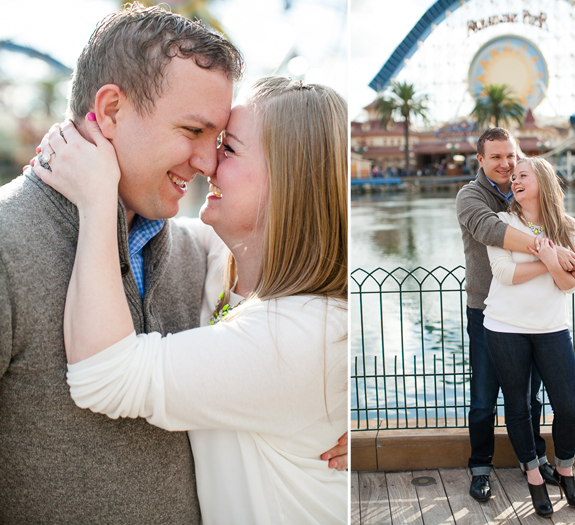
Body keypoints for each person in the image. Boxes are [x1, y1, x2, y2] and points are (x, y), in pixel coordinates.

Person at [0, 4, 344, 523]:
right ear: (111, 111)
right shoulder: (8, 242)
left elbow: (109, 375)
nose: (207, 163)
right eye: (194, 131)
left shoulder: (196, 255)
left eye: (223, 143)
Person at [455, 127, 575, 502]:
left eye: (512, 157)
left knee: (530, 399)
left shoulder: (542, 206)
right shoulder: (472, 196)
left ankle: (533, 462)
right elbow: (489, 231)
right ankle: (480, 467)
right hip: (488, 310)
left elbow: (573, 252)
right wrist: (551, 252)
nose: (507, 165)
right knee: (485, 397)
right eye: (496, 157)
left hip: (542, 320)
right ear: (481, 160)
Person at [483, 156, 575, 516]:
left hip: (551, 328)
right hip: (504, 328)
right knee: (519, 407)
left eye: (522, 175)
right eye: (513, 177)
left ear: (542, 180)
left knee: (569, 408)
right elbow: (504, 273)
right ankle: (533, 477)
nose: (515, 180)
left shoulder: (569, 228)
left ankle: (565, 471)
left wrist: (559, 262)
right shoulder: (501, 222)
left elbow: (568, 285)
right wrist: (550, 258)